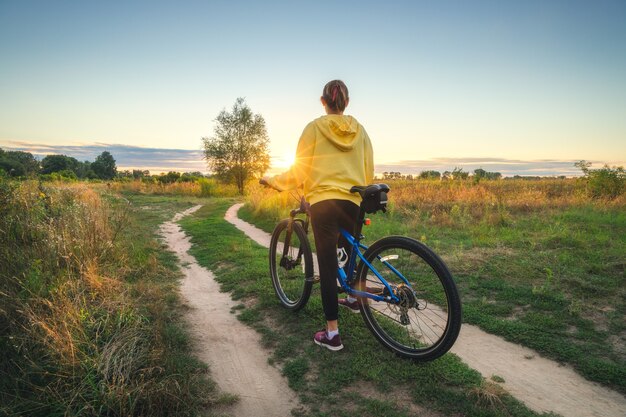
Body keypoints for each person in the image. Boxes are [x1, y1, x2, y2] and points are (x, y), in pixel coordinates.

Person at [262, 80, 374, 351]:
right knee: (349, 250)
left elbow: (300, 171)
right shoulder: (361, 131)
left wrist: (275, 181)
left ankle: (332, 334)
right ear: (346, 103)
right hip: (354, 200)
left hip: (324, 202)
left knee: (326, 265)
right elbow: (368, 169)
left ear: (323, 101)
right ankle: (355, 298)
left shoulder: (313, 128)